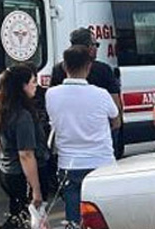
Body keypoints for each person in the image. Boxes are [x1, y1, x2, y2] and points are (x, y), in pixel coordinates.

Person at [44, 46, 120, 229]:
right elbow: (116, 121)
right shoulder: (101, 94)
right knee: (105, 217)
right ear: (89, 67)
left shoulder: (52, 94)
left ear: (64, 67)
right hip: (101, 164)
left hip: (69, 165)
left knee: (73, 219)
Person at [0, 65, 55, 229]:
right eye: (32, 81)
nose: (36, 86)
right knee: (33, 225)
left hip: (7, 172)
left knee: (25, 224)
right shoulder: (23, 116)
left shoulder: (1, 109)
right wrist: (36, 188)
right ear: (22, 86)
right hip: (23, 174)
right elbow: (26, 154)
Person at [50, 28, 124, 158]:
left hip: (69, 138)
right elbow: (116, 107)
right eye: (96, 45)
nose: (97, 48)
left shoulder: (58, 70)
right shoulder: (103, 70)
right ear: (89, 48)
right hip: (100, 137)